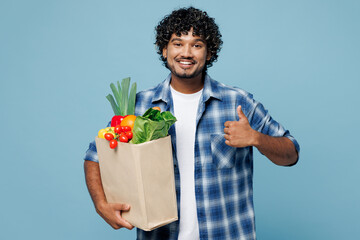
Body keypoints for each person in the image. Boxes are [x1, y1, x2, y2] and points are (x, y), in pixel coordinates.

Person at [84, 7, 300, 240]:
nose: (186, 53)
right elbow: (95, 156)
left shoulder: (237, 102)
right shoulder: (140, 106)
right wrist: (101, 204)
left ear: (209, 53)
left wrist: (256, 138)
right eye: (177, 43)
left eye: (197, 45)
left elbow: (291, 153)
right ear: (164, 49)